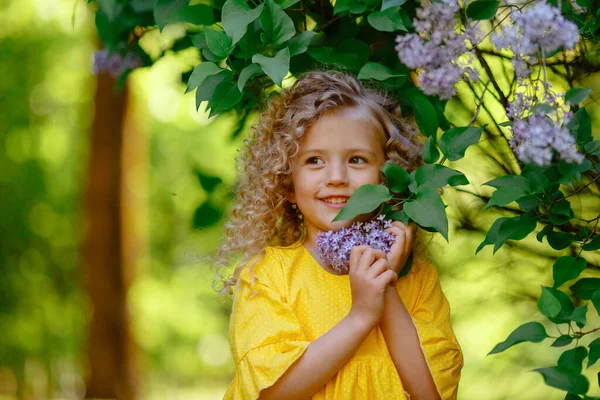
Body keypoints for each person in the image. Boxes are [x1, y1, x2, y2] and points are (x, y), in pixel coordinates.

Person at [214, 70, 463, 400]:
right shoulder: (268, 276)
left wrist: (385, 286)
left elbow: (430, 395)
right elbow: (271, 394)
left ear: (387, 177)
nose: (336, 177)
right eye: (314, 160)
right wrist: (360, 317)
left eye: (356, 159)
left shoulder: (417, 280)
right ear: (288, 183)